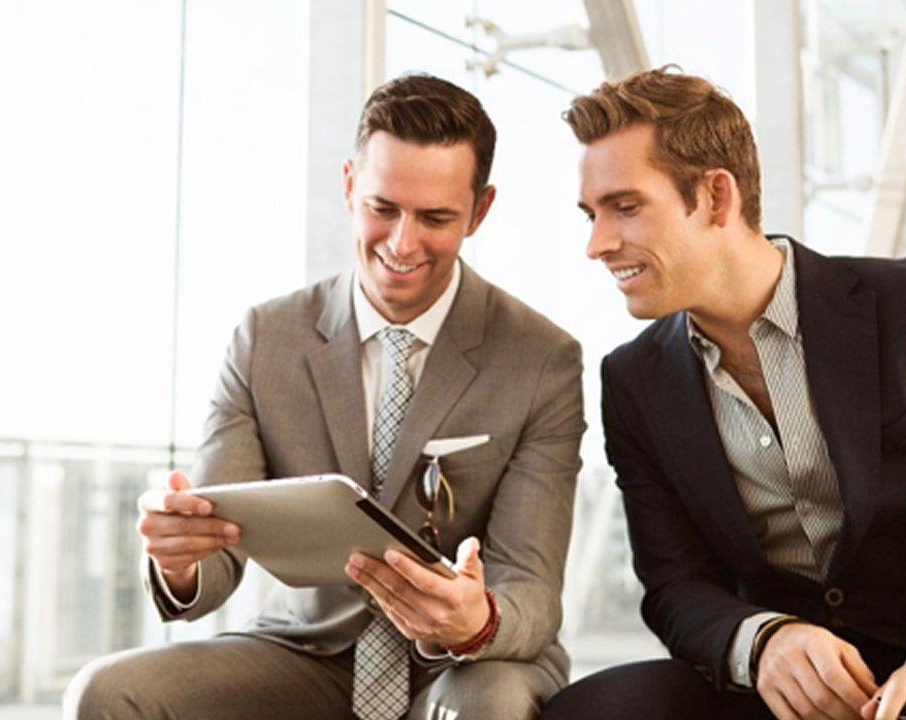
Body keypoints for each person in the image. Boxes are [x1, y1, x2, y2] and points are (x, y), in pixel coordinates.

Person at [541, 67, 906, 720]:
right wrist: (764, 641)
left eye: (625, 207)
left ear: (717, 197)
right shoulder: (633, 381)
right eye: (591, 213)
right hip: (789, 689)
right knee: (593, 712)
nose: (597, 244)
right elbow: (675, 586)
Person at [64, 73, 585, 720]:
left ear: (479, 211)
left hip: (460, 662)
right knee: (105, 693)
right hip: (302, 653)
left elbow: (531, 589)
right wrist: (179, 561)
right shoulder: (266, 339)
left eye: (436, 218)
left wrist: (475, 620)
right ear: (348, 187)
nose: (402, 244)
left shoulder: (541, 359)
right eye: (382, 209)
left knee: (491, 705)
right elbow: (215, 551)